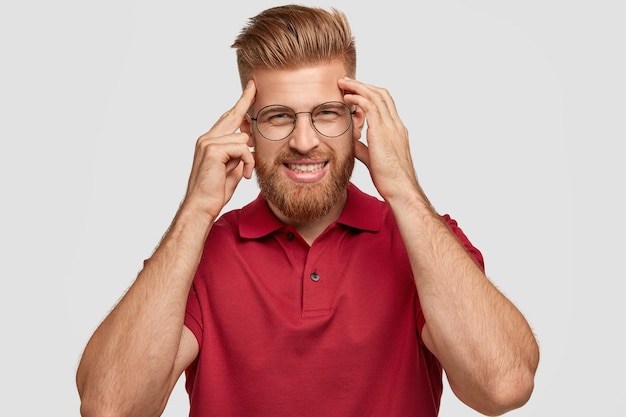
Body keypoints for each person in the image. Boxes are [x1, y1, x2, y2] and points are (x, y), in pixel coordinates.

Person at [76, 4, 539, 417]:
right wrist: (197, 210)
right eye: (279, 115)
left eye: (326, 113)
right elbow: (110, 408)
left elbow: (502, 389)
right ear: (246, 129)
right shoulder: (201, 251)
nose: (303, 141)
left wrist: (402, 188)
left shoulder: (423, 241)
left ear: (357, 120)